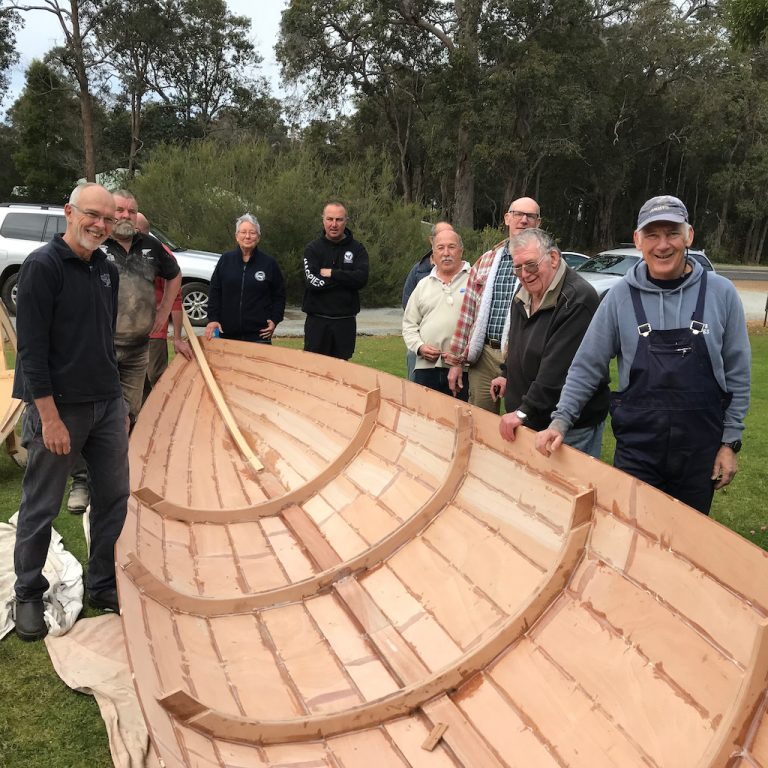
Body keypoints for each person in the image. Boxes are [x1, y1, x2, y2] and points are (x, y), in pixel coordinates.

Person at [536, 195, 751, 514]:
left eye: (672, 233)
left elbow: (738, 374)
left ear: (688, 235)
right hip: (638, 453)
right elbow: (586, 366)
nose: (663, 245)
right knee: (633, 538)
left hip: (699, 454)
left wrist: (730, 442)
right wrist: (560, 421)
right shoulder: (619, 297)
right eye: (652, 234)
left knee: (689, 545)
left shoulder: (721, 294)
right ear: (638, 240)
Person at [12, 183, 130, 640]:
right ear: (69, 213)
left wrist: (117, 401)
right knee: (41, 504)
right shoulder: (42, 267)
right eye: (92, 216)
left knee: (114, 498)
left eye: (107, 218)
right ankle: (27, 592)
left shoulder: (105, 268)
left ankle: (104, 583)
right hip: (60, 408)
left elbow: (103, 341)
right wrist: (50, 417)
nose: (100, 225)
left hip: (105, 404)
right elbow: (31, 352)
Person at [488, 229, 609, 458]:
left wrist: (524, 412)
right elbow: (516, 344)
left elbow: (557, 371)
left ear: (553, 258)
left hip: (568, 428)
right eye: (518, 267)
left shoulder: (577, 299)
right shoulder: (523, 294)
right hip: (530, 418)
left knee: (565, 490)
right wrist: (507, 374)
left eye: (531, 265)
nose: (524, 274)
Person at [445, 197, 542, 412]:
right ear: (507, 218)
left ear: (538, 223)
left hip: (522, 359)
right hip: (485, 355)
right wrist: (456, 361)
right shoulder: (487, 260)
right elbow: (468, 312)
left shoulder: (544, 263)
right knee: (478, 423)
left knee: (520, 424)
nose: (523, 220)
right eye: (518, 214)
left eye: (530, 216)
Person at [101, 190, 182, 426]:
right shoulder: (96, 244)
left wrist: (164, 310)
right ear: (108, 211)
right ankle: (96, 460)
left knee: (129, 413)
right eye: (119, 210)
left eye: (132, 211)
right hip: (102, 346)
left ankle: (125, 458)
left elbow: (175, 275)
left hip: (138, 348)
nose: (126, 215)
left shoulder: (151, 246)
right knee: (101, 411)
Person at [402, 229, 470, 399]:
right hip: (426, 367)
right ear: (433, 253)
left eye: (451, 247)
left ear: (461, 250)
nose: (446, 253)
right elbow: (409, 324)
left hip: (464, 369)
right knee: (425, 418)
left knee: (460, 419)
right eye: (440, 248)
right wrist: (420, 347)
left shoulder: (474, 280)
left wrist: (461, 359)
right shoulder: (423, 285)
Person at [302, 202, 369, 360]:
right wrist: (347, 279)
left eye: (339, 219)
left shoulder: (357, 249)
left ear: (346, 221)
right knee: (314, 372)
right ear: (323, 220)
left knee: (341, 376)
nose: (334, 224)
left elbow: (361, 278)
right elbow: (311, 282)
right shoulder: (312, 249)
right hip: (317, 323)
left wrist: (332, 273)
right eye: (329, 219)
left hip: (344, 323)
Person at [205, 213, 286, 343]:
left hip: (259, 336)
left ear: (258, 237)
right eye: (243, 232)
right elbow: (215, 291)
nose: (247, 236)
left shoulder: (269, 263)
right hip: (227, 333)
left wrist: (275, 319)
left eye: (252, 233)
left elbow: (279, 295)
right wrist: (213, 318)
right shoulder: (225, 260)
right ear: (237, 236)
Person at [136, 212, 192, 399]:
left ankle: (162, 420)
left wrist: (176, 338)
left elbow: (175, 299)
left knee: (156, 378)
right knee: (132, 382)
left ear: (139, 231)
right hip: (124, 333)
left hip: (153, 332)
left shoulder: (161, 256)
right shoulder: (117, 252)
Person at [402, 221, 454, 381]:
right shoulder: (418, 272)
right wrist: (420, 345)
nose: (446, 251)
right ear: (431, 241)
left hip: (455, 362)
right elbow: (408, 310)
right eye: (440, 239)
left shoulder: (468, 274)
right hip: (421, 353)